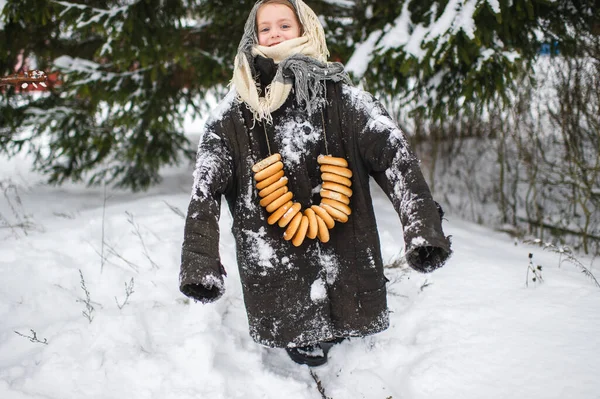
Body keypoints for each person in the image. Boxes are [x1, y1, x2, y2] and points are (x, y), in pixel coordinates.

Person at [179, 0, 452, 367]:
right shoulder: (232, 117)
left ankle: (344, 327)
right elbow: (205, 190)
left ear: (306, 29)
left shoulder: (347, 101)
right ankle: (298, 336)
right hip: (274, 266)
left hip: (347, 254)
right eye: (265, 28)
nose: (274, 33)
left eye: (284, 25)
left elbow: (396, 161)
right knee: (288, 303)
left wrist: (423, 230)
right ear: (252, 36)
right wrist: (200, 264)